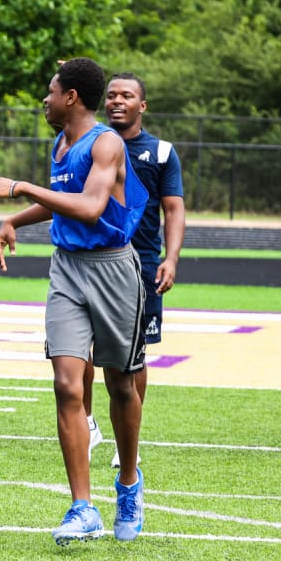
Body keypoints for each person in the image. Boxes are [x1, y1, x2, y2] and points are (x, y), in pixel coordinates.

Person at [0, 57, 149, 545]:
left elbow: (93, 207)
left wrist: (19, 188)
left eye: (50, 93)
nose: (45, 101)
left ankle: (129, 482)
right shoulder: (61, 142)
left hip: (114, 270)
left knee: (119, 385)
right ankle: (83, 506)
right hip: (68, 269)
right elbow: (63, 194)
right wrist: (17, 220)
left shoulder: (107, 142)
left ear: (71, 97)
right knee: (67, 385)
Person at [84, 72, 186, 468]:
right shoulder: (89, 144)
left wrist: (171, 258)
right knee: (78, 348)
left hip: (140, 264)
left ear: (142, 105)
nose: (116, 101)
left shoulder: (161, 152)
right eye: (110, 95)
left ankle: (129, 440)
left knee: (132, 357)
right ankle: (88, 423)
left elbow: (173, 208)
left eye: (126, 95)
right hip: (89, 260)